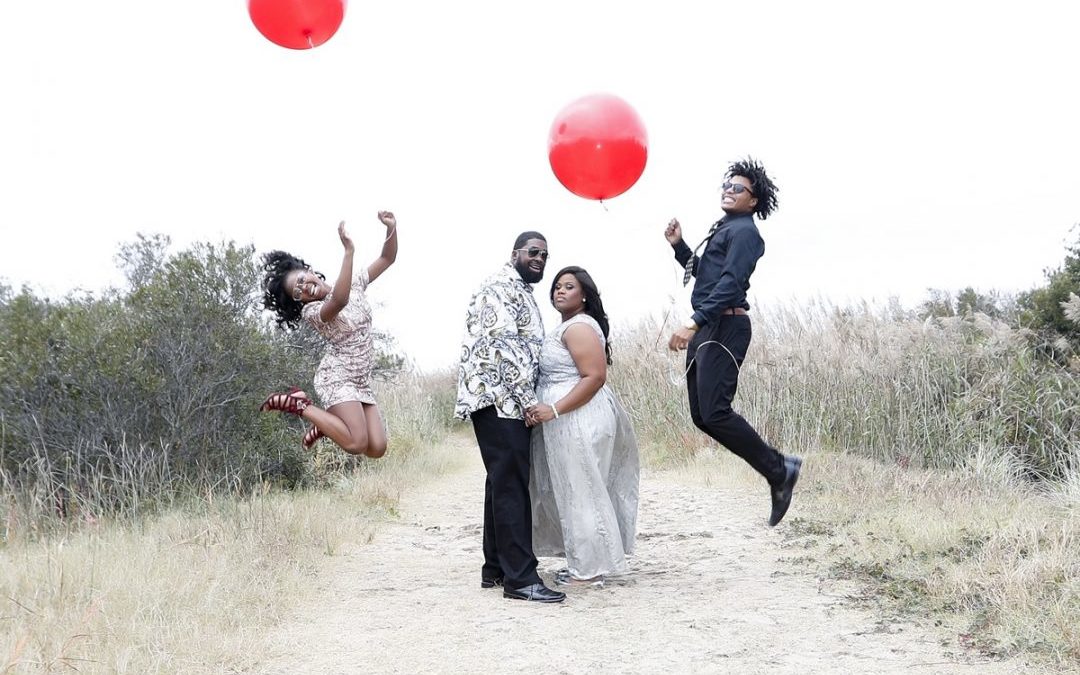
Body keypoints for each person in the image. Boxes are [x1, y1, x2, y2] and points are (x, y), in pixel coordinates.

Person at [664, 158, 802, 526]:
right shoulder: (726, 227)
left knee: (715, 411)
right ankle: (779, 469)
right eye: (726, 185)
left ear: (753, 200)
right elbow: (708, 273)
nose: (729, 189)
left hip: (724, 326)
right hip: (710, 327)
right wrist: (680, 248)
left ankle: (779, 471)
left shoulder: (745, 233)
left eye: (738, 187)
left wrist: (693, 323)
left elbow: (729, 285)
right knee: (702, 415)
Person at [455, 232, 566, 604]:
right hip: (501, 399)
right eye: (533, 252)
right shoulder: (500, 287)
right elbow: (502, 350)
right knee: (511, 485)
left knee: (501, 481)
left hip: (502, 399)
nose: (540, 258)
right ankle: (521, 579)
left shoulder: (519, 289)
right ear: (515, 253)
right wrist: (528, 402)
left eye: (545, 255)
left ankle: (497, 568)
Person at [526, 266, 640, 588]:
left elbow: (595, 377)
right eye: (557, 286)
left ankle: (589, 572)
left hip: (578, 418)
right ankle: (586, 565)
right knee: (579, 490)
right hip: (572, 418)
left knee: (582, 491)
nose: (560, 291)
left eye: (569, 287)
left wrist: (554, 409)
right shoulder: (570, 326)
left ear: (584, 295)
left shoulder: (577, 328)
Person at [259, 212, 398, 457]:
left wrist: (391, 228)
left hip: (360, 379)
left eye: (302, 279)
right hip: (338, 377)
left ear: (310, 271)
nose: (303, 287)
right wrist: (349, 252)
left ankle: (328, 425)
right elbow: (339, 299)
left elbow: (387, 258)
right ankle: (298, 404)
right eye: (297, 292)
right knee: (356, 444)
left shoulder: (353, 283)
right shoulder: (312, 311)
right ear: (300, 301)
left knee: (377, 448)